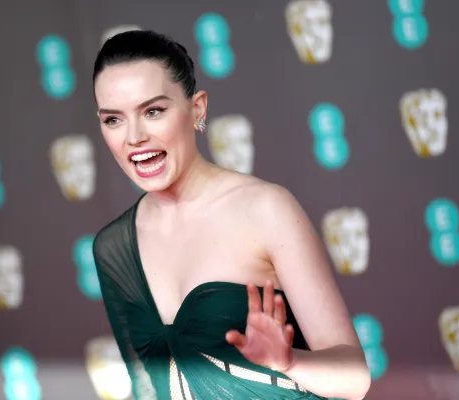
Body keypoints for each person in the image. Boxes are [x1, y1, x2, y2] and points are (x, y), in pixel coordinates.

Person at [91, 29, 371, 400]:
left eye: (153, 111)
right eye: (113, 120)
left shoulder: (266, 210)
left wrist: (288, 362)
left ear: (197, 109)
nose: (134, 137)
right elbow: (146, 388)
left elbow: (355, 379)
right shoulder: (112, 247)